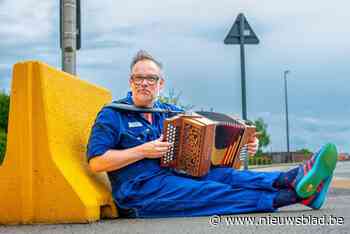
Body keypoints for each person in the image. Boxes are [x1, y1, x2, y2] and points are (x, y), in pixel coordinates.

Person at [86, 50, 338, 218]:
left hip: (176, 174)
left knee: (223, 175)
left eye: (151, 79)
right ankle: (296, 194)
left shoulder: (169, 112)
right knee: (211, 192)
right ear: (130, 81)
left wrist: (243, 146)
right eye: (139, 78)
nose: (144, 83)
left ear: (161, 84)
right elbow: (97, 162)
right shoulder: (113, 114)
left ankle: (294, 176)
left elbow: (208, 141)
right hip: (139, 193)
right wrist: (142, 151)